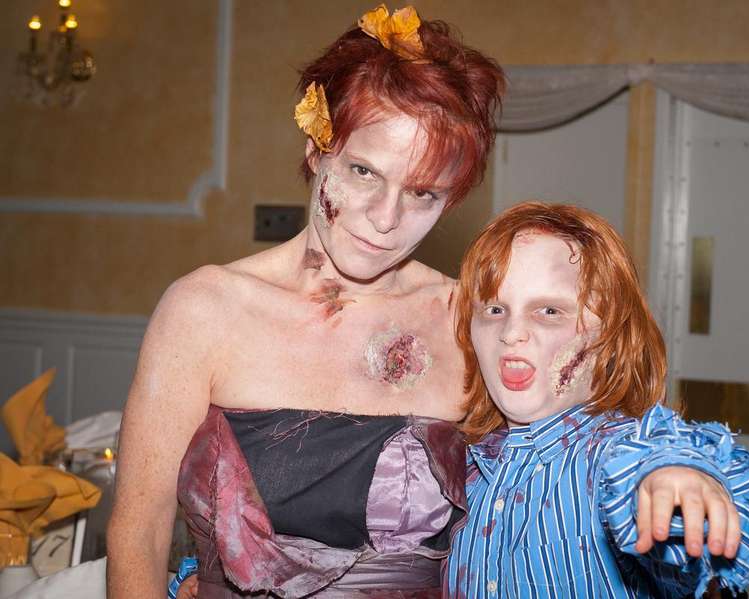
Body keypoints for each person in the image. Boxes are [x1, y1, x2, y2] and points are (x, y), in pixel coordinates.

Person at [106, 4, 505, 597]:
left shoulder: (464, 322)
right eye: (364, 172)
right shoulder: (205, 310)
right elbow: (139, 533)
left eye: (422, 193)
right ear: (318, 149)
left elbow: (556, 480)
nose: (386, 218)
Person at [447, 202, 749, 598]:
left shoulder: (612, 459)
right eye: (495, 309)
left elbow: (653, 459)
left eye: (549, 311)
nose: (511, 332)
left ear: (610, 339)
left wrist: (677, 477)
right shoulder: (464, 469)